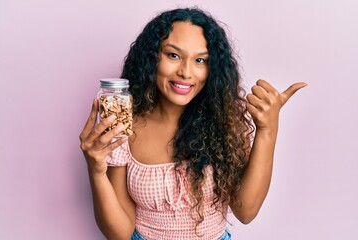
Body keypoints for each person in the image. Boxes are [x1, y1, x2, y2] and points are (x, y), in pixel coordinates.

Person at [79, 7, 306, 240]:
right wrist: (96, 169)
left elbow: (246, 211)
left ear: (213, 69)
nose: (186, 72)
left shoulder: (224, 121)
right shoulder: (123, 125)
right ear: (151, 58)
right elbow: (120, 234)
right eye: (173, 55)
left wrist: (267, 130)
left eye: (200, 60)